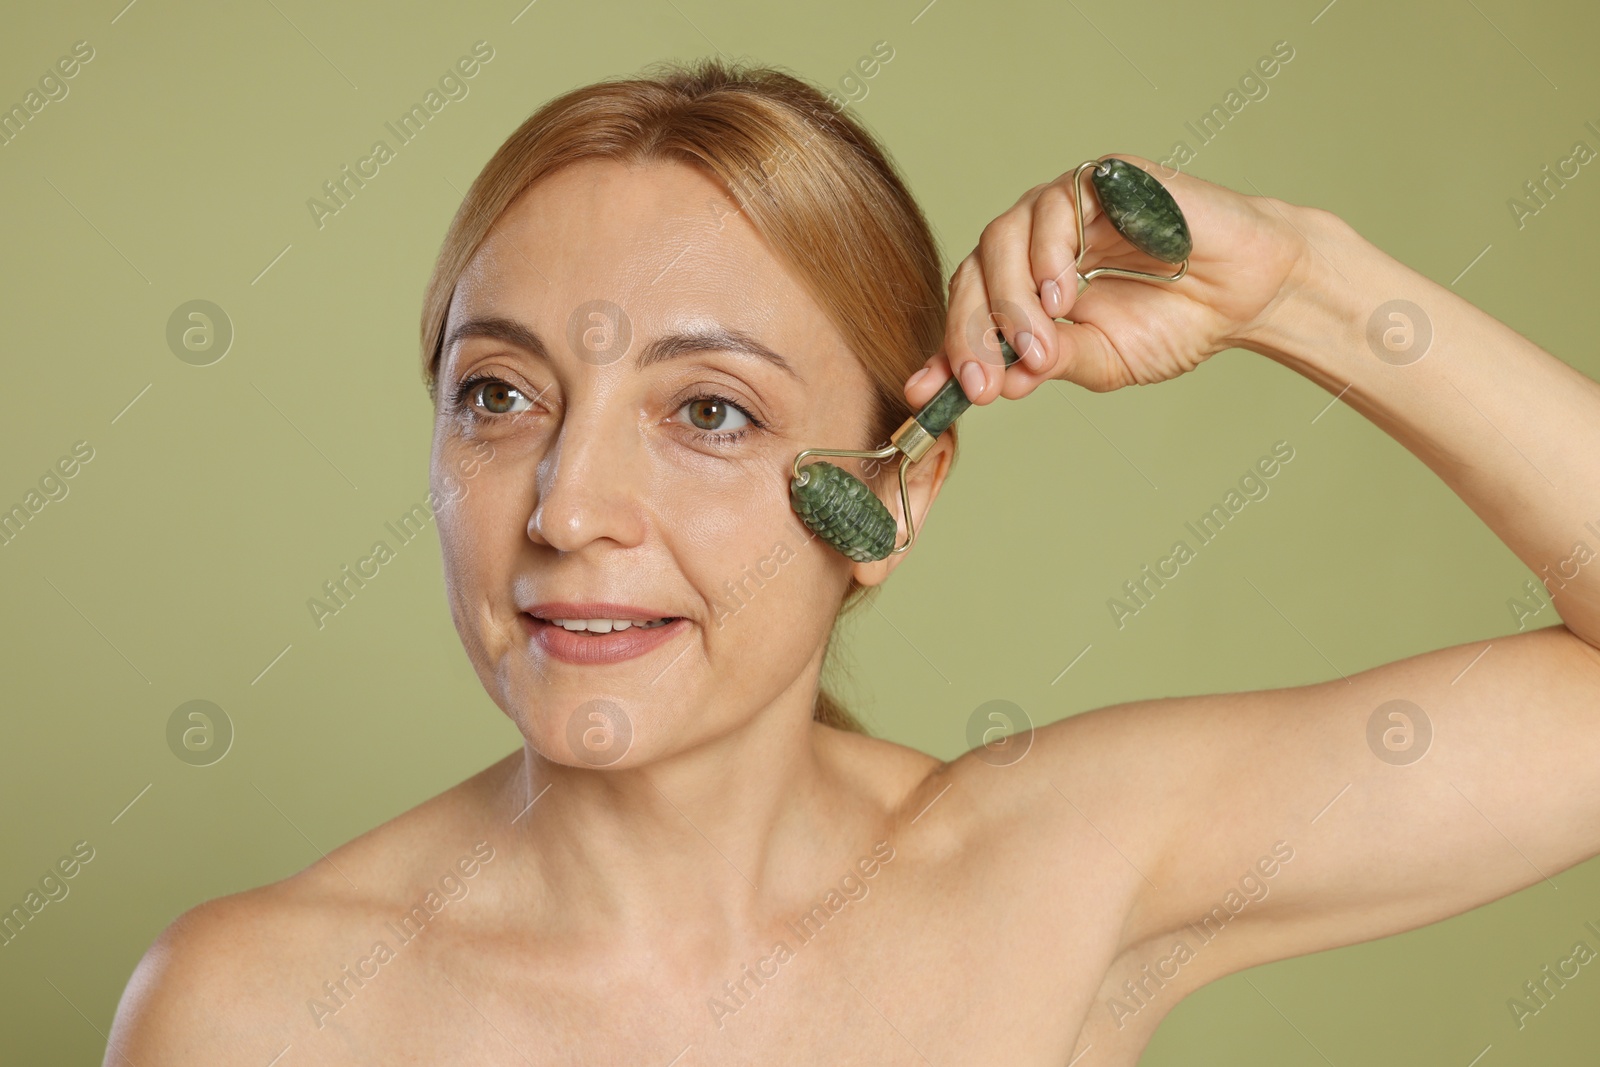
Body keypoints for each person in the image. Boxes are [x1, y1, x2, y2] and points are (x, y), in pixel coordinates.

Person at [104, 56, 1600, 1066]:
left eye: (709, 412)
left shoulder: (1057, 872)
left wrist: (1301, 286)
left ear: (903, 490)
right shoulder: (252, 1011)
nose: (568, 508)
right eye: (500, 396)